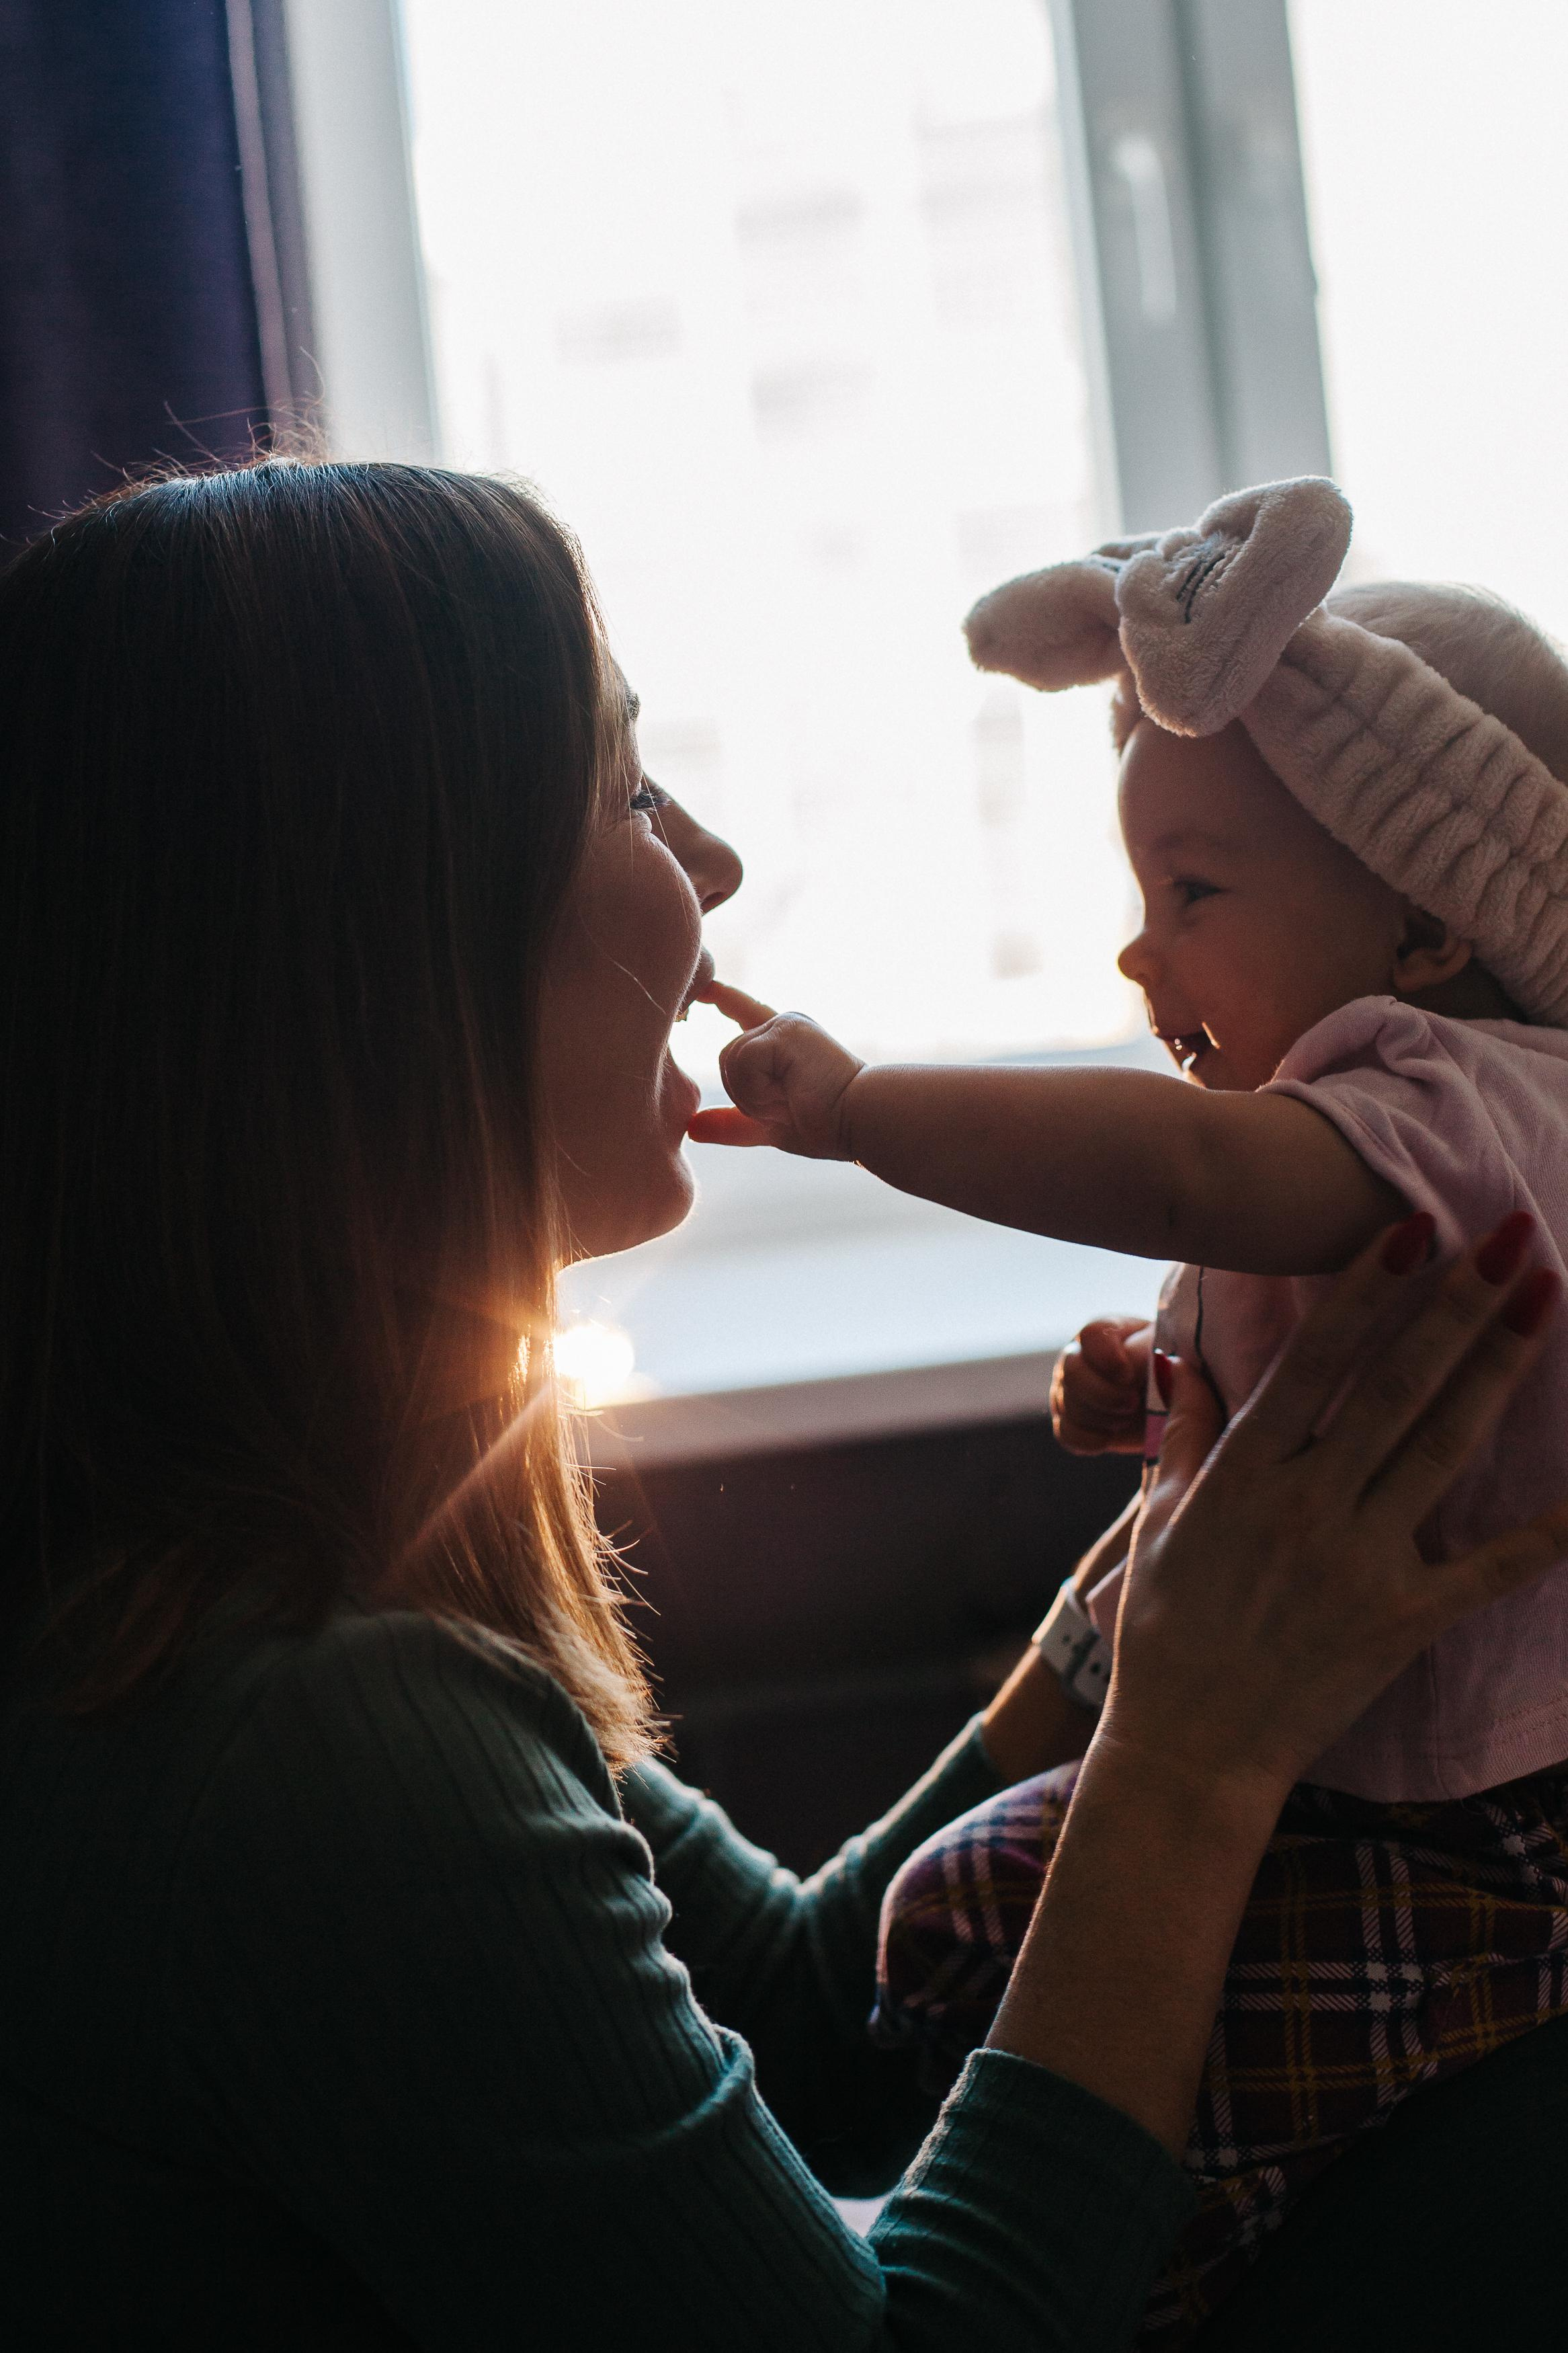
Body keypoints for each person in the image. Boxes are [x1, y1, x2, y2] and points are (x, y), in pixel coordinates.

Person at [0, 461, 1564, 2352]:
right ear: (386, 943)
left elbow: (823, 2023)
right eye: (628, 787)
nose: (714, 862)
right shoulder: (321, 1745)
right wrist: (1193, 1755)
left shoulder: (283, 1584)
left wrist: (1171, 1569)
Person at [691, 477, 1568, 2340]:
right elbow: (1250, 1268)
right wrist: (1171, 1383)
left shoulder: (1473, 1090)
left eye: (1195, 890)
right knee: (949, 1933)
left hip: (1474, 1824)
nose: (1137, 949)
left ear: (1424, 918)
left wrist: (861, 1114)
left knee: (1204, 2141)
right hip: (1347, 1758)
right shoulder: (1376, 1114)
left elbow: (1187, 1179)